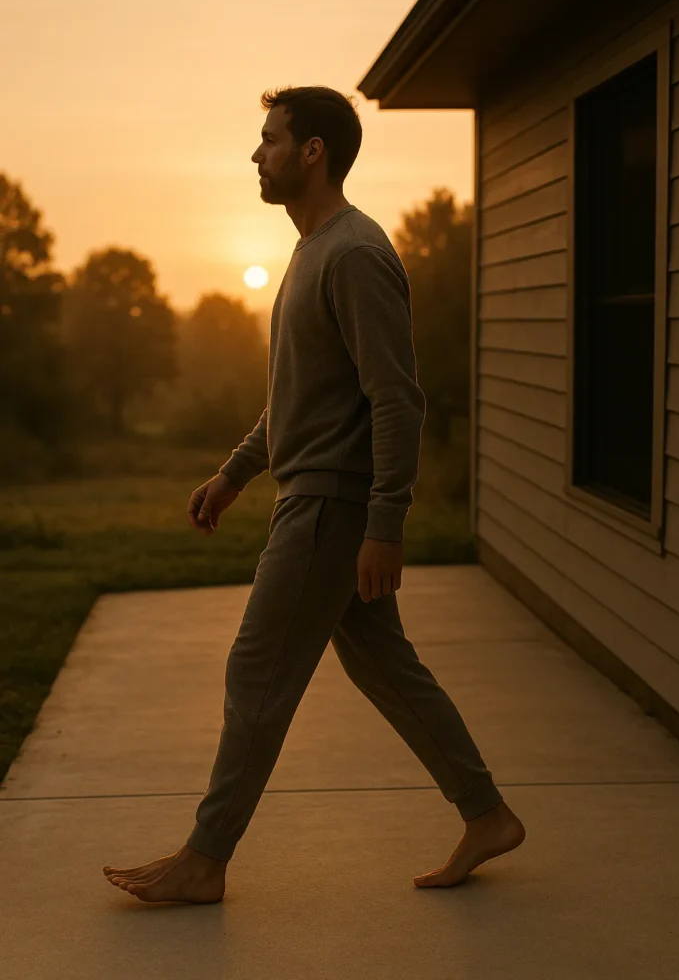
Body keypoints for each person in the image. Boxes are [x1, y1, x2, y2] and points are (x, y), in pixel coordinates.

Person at [103, 85, 525, 904]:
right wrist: (235, 471)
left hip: (332, 506)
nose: (254, 155)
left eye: (268, 139)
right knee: (387, 668)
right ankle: (486, 813)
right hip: (314, 495)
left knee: (256, 669)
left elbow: (396, 398)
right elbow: (302, 397)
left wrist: (385, 523)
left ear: (312, 152)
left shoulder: (355, 253)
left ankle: (205, 858)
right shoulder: (311, 252)